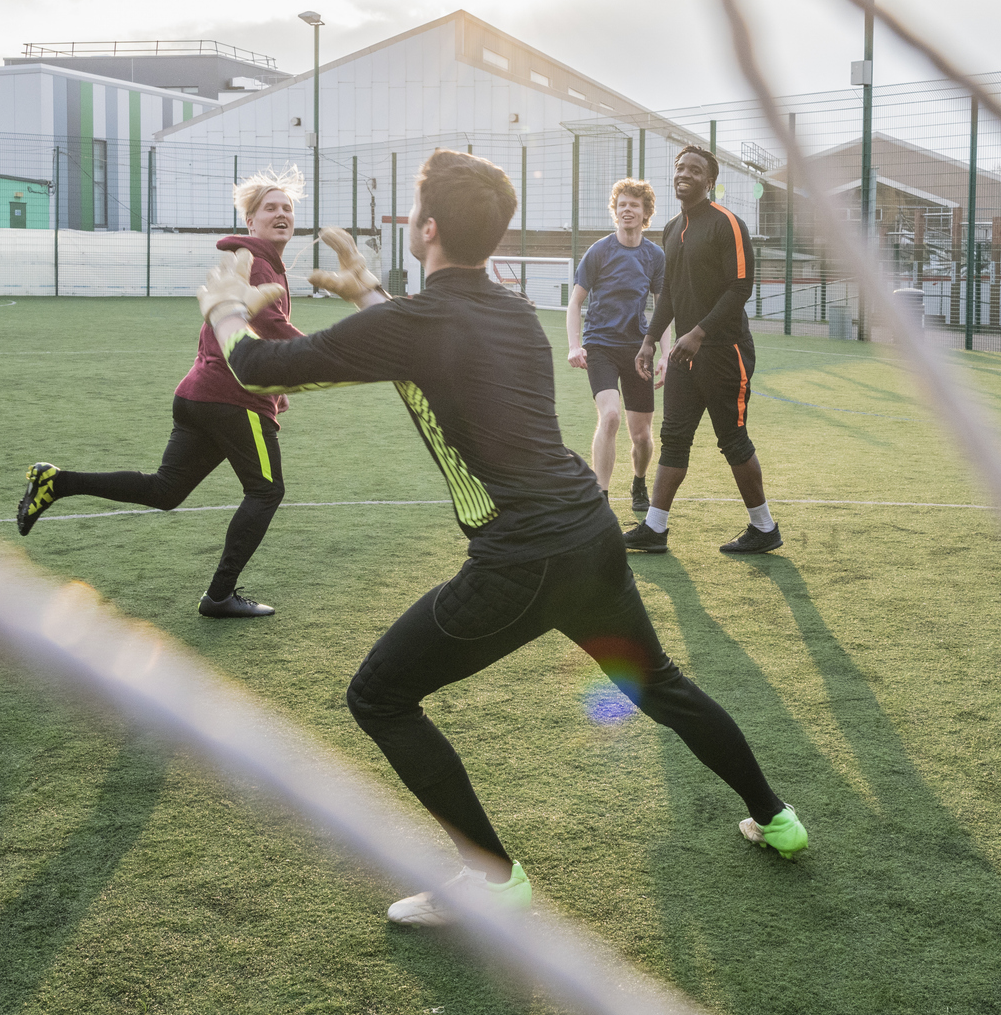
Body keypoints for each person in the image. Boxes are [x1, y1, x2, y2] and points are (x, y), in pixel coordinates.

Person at [198, 149, 808, 926]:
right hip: (586, 536)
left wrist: (223, 302)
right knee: (658, 685)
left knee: (378, 697)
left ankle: (490, 881)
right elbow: (426, 348)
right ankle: (776, 817)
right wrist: (369, 295)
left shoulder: (419, 322)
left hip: (520, 559)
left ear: (425, 228)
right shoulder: (510, 310)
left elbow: (258, 368)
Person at [16, 168, 306, 619]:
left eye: (287, 208)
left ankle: (57, 481)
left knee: (165, 489)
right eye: (270, 208)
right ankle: (219, 596)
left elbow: (223, 332)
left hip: (197, 395)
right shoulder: (258, 263)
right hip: (231, 402)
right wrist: (339, 349)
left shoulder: (252, 260)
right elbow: (273, 327)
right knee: (266, 491)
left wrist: (274, 386)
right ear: (251, 221)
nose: (281, 214)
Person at [622, 145, 782, 555]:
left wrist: (698, 333)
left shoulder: (727, 223)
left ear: (709, 181)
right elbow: (670, 294)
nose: (684, 175)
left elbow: (740, 287)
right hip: (683, 355)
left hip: (725, 352)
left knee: (732, 439)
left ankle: (764, 528)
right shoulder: (672, 228)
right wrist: (649, 339)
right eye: (680, 168)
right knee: (674, 436)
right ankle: (655, 529)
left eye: (694, 170)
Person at [566, 178, 667, 514]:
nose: (627, 210)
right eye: (621, 204)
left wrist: (665, 352)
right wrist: (573, 345)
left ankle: (639, 482)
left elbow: (662, 309)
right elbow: (575, 303)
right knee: (609, 416)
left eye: (634, 205)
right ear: (615, 210)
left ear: (645, 213)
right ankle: (601, 497)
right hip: (600, 346)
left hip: (639, 351)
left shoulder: (655, 256)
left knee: (641, 436)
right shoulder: (600, 251)